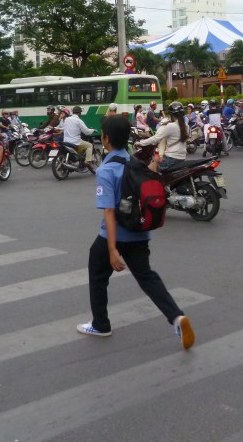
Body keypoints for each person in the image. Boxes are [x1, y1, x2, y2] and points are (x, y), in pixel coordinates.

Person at [77, 113, 195, 349]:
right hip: (140, 233)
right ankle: (176, 316)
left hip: (115, 235)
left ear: (106, 138)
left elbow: (109, 212)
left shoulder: (106, 170)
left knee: (97, 274)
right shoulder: (136, 163)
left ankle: (101, 325)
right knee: (147, 277)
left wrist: (111, 248)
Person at [137, 101, 188, 172]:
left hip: (171, 158)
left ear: (171, 115)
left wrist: (140, 143)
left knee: (149, 170)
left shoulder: (171, 126)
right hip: (182, 158)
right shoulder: (186, 126)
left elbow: (156, 138)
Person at [63, 105, 97, 171]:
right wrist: (93, 130)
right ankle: (88, 161)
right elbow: (87, 132)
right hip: (75, 142)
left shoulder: (67, 119)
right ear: (79, 113)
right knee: (90, 145)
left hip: (66, 141)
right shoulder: (79, 121)